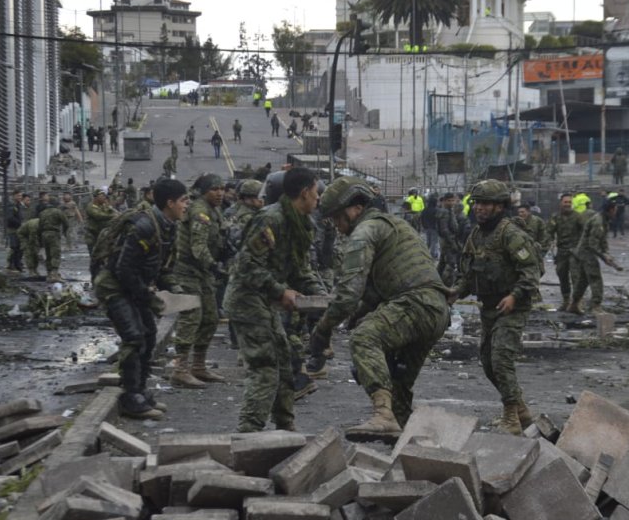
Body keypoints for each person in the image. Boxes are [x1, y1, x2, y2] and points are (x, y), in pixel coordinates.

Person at [309, 177, 449, 437]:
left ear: (355, 209)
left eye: (338, 219)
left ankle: (382, 416)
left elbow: (348, 293)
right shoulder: (395, 225)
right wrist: (360, 312)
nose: (338, 228)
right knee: (398, 385)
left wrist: (323, 330)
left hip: (415, 304)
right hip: (436, 310)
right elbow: (381, 284)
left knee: (364, 338)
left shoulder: (366, 231)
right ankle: (408, 444)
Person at [224, 167, 326, 432]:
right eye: (315, 195)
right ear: (304, 194)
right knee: (265, 365)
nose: (318, 201)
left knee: (284, 361)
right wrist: (281, 291)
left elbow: (300, 269)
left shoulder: (300, 224)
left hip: (264, 302)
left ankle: (285, 425)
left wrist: (322, 297)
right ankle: (249, 430)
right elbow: (246, 266)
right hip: (246, 300)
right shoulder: (271, 219)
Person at [450, 179, 542, 435]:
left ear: (500, 206)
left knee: (501, 359)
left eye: (486, 204)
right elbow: (470, 274)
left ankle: (511, 417)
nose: (480, 208)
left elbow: (531, 272)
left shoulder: (510, 233)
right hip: (489, 306)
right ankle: (521, 409)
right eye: (477, 203)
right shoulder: (477, 235)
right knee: (488, 362)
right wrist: (456, 291)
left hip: (513, 306)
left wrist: (514, 296)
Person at [94, 178, 188, 420]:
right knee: (134, 336)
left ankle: (140, 390)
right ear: (170, 203)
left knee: (149, 334)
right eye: (183, 201)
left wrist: (177, 291)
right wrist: (148, 297)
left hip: (135, 285)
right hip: (113, 286)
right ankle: (130, 396)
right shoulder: (144, 226)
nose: (187, 206)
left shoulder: (168, 227)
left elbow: (163, 269)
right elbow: (123, 270)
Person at [169, 174, 228, 389]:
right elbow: (198, 248)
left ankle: (198, 365)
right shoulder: (200, 212)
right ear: (203, 191)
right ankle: (180, 369)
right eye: (215, 189)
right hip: (187, 271)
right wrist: (216, 266)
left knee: (211, 317)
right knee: (191, 316)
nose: (220, 193)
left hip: (202, 273)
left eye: (222, 188)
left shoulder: (214, 211)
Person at [570, 197, 623, 314]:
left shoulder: (604, 220)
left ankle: (574, 304)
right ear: (611, 210)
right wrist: (604, 257)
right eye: (615, 209)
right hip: (586, 252)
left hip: (587, 252)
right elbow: (592, 244)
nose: (616, 212)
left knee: (583, 281)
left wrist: (607, 254)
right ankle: (596, 306)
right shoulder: (598, 222)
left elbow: (603, 241)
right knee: (595, 279)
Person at [548, 194, 584, 312]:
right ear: (561, 203)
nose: (568, 204)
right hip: (562, 252)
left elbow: (585, 232)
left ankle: (577, 303)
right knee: (562, 277)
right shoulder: (555, 217)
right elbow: (549, 232)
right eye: (565, 202)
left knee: (576, 278)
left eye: (569, 202)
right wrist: (549, 243)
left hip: (574, 253)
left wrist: (581, 248)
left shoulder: (578, 217)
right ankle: (566, 301)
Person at [38, 194, 69, 282]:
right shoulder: (58, 212)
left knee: (48, 255)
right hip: (54, 234)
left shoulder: (42, 213)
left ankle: (48, 274)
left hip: (44, 234)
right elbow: (66, 223)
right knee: (55, 254)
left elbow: (39, 226)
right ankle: (54, 274)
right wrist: (63, 232)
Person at [84, 190, 117, 266]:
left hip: (101, 235)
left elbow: (112, 212)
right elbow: (98, 216)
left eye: (104, 196)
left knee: (103, 255)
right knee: (94, 256)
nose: (104, 198)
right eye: (101, 196)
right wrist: (112, 216)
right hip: (92, 235)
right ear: (96, 197)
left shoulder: (103, 206)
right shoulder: (91, 206)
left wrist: (111, 209)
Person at [436, 192, 462, 286]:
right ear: (445, 201)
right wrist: (452, 243)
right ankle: (446, 285)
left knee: (442, 262)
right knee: (450, 263)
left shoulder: (449, 210)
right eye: (449, 201)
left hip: (449, 239)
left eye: (452, 200)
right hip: (447, 240)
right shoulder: (445, 212)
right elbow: (444, 229)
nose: (451, 202)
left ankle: (436, 281)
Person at [5, 191, 27, 273]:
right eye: (18, 195)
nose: (20, 197)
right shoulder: (11, 206)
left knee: (19, 248)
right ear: (14, 196)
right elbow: (10, 218)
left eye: (21, 195)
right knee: (14, 248)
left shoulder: (18, 205)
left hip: (18, 229)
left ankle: (17, 265)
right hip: (13, 229)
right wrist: (20, 223)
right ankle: (12, 266)